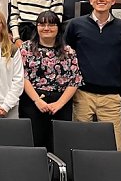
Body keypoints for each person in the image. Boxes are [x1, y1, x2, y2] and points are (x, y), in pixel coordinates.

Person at [65, 0, 121, 149]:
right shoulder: (75, 25)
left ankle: (113, 175)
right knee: (79, 144)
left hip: (111, 97)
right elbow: (67, 57)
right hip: (82, 95)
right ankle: (81, 175)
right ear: (90, 0)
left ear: (113, 1)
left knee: (114, 147)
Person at [19, 11, 82, 149]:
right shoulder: (26, 48)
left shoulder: (68, 51)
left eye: (51, 24)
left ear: (58, 28)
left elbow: (75, 80)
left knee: (59, 146)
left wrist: (59, 103)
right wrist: (37, 100)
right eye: (42, 24)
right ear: (37, 27)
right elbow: (22, 76)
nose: (46, 28)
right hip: (33, 101)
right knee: (33, 145)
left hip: (60, 104)